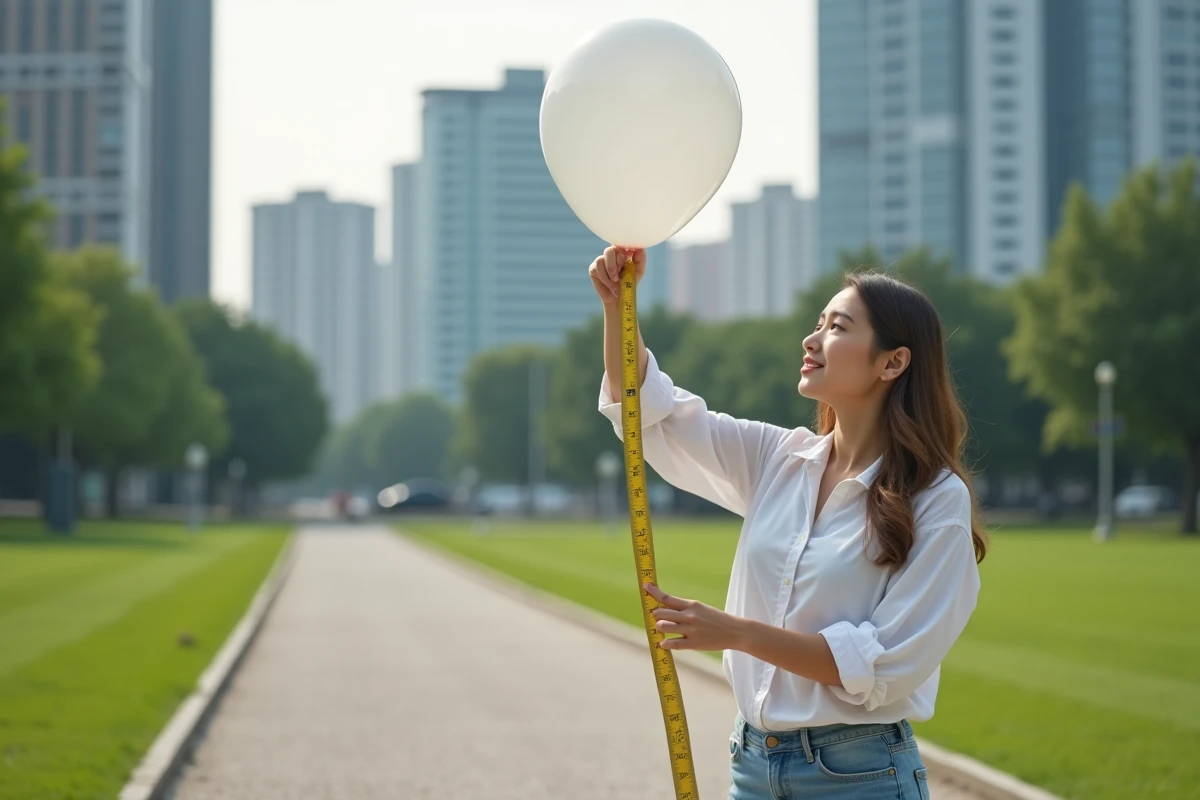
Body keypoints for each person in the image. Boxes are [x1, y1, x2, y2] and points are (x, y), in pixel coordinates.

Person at [591, 246, 987, 799]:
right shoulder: (778, 459)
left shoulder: (937, 500)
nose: (811, 338)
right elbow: (653, 412)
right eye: (818, 323)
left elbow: (883, 664)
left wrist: (737, 633)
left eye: (838, 326)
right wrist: (617, 307)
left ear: (892, 362)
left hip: (858, 777)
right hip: (752, 764)